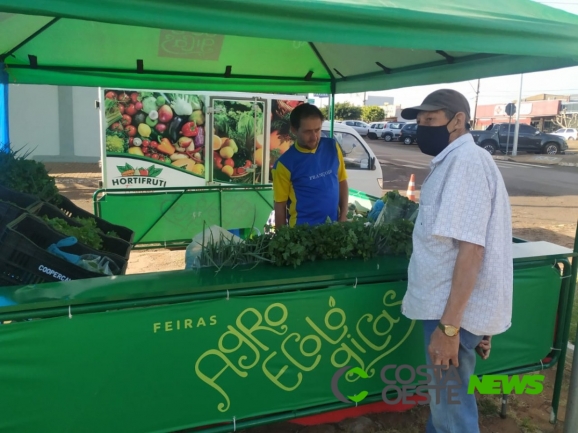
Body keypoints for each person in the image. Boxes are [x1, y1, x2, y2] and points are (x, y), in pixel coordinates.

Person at [400, 89, 513, 433]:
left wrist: (450, 328)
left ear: (458, 120)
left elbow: (472, 251)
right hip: (454, 314)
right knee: (446, 406)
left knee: (451, 414)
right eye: (419, 122)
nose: (422, 129)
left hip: (447, 316)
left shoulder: (465, 163)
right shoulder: (456, 161)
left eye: (430, 120)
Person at [271, 104, 348, 228]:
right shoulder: (284, 164)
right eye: (307, 132)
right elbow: (280, 205)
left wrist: (343, 215)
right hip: (301, 234)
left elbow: (342, 181)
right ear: (294, 130)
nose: (314, 137)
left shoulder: (332, 147)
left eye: (317, 130)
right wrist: (281, 241)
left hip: (333, 229)